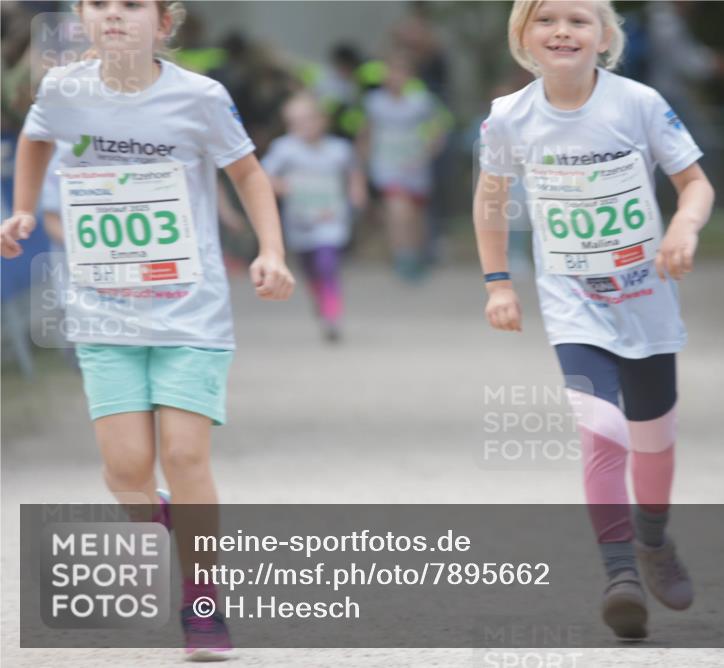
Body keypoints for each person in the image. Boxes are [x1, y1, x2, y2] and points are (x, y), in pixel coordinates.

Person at [0, 0, 295, 659]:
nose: (114, 15)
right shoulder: (63, 89)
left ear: (164, 23)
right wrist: (23, 210)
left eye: (132, 5)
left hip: (190, 310)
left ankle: (202, 600)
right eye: (99, 4)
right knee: (125, 471)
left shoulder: (200, 97)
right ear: (83, 18)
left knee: (186, 457)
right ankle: (172, 523)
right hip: (103, 311)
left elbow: (247, 173)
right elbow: (36, 139)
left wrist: (271, 251)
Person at [473, 0, 715, 640]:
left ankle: (652, 541)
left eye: (578, 20)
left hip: (646, 299)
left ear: (604, 36)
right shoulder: (510, 116)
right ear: (523, 36)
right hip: (573, 305)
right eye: (545, 19)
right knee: (603, 430)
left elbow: (695, 183)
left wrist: (684, 229)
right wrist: (498, 283)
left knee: (654, 441)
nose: (562, 31)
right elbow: (491, 200)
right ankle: (619, 575)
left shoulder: (637, 103)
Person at [263, 92, 367, 340]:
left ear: (322, 120)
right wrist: (281, 186)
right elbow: (262, 176)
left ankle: (332, 316)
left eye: (309, 119)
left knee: (327, 264)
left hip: (332, 219)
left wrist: (357, 191)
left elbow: (353, 172)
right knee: (310, 269)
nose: (304, 126)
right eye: (296, 122)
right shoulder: (284, 149)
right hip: (300, 221)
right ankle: (321, 301)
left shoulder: (339, 149)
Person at [359, 49, 445, 281]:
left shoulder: (422, 101)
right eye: (391, 72)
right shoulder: (374, 102)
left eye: (401, 72)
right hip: (386, 165)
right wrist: (363, 166)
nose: (395, 77)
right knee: (398, 209)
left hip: (414, 167)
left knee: (414, 215)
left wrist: (426, 153)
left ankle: (416, 255)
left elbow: (437, 130)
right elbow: (366, 134)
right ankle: (402, 257)